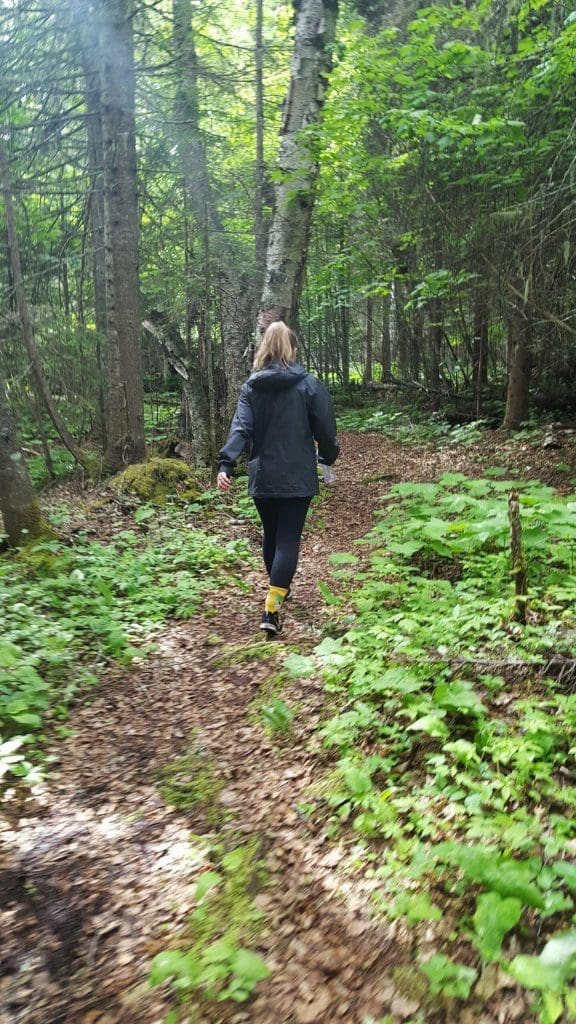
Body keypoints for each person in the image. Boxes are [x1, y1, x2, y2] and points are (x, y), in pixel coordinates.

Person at [217, 321, 339, 636]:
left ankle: (277, 589)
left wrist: (225, 464)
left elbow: (241, 428)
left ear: (264, 351)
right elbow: (325, 426)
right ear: (293, 351)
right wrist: (328, 456)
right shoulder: (309, 384)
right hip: (297, 476)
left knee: (271, 536)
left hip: (264, 476)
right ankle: (272, 606)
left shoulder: (251, 387)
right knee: (287, 540)